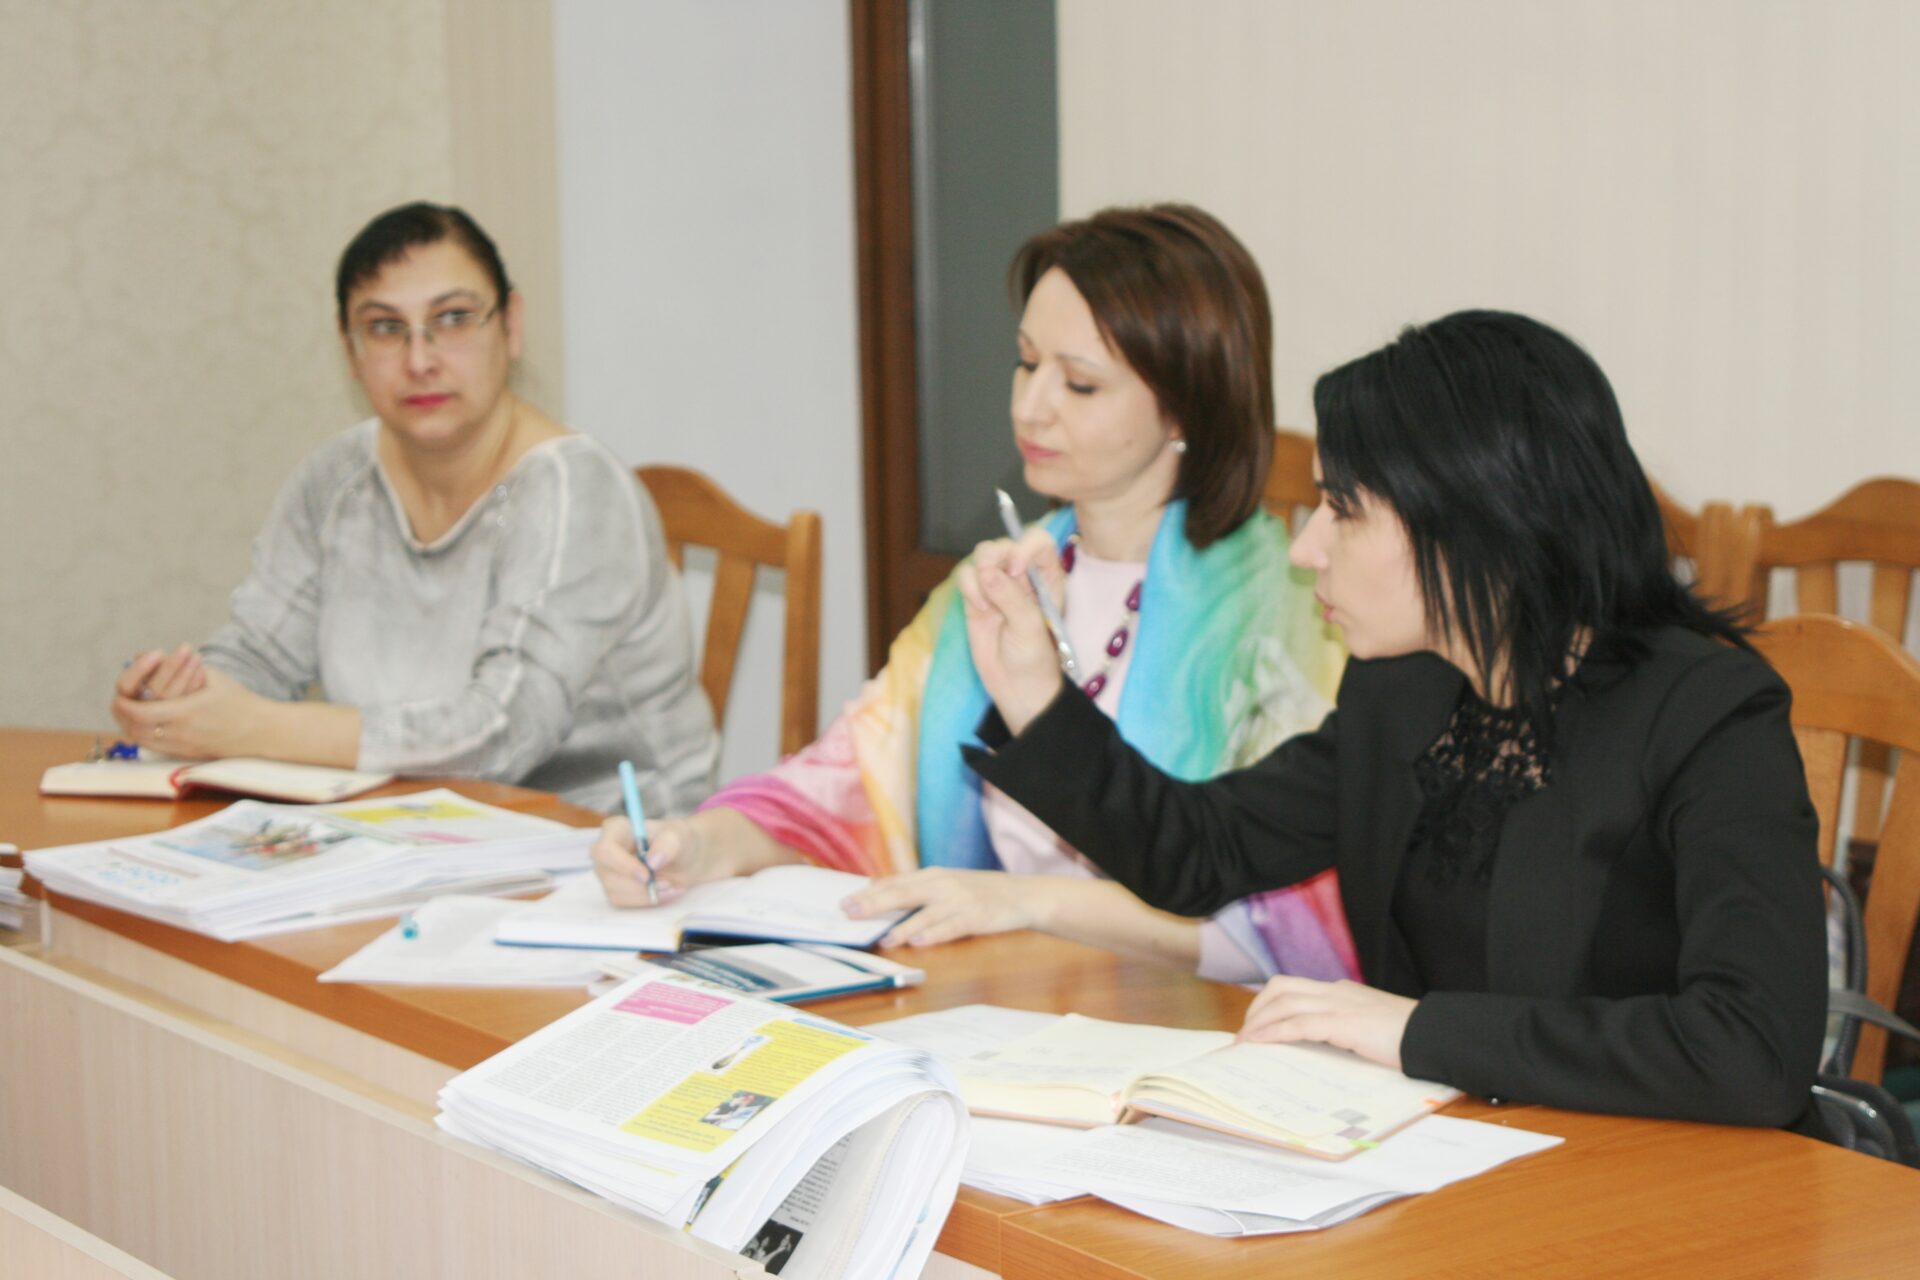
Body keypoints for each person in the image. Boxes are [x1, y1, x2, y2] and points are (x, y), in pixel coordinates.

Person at [958, 309, 1827, 1129]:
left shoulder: (1709, 715)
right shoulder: (1403, 691)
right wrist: (1036, 697)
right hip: (1459, 1154)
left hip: (1666, 1183)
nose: (1307, 549)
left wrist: (1414, 1031)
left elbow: (1751, 1048)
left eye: (1343, 510)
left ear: (1472, 525)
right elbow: (1199, 851)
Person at [594, 204, 1353, 981]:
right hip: (992, 997)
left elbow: (1286, 927)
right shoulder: (1003, 580)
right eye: (1026, 363)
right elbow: (845, 783)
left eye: (1080, 383)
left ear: (1188, 404)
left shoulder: (1294, 615)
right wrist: (698, 845)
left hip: (1184, 1025)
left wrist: (1021, 901)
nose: (1030, 407)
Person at [110, 202, 718, 815]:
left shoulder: (576, 491)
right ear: (350, 350)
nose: (420, 359)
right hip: (405, 824)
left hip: (608, 838)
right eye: (385, 327)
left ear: (510, 326)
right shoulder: (335, 480)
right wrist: (185, 699)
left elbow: (502, 735)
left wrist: (250, 727)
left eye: (453, 319)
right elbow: (260, 654)